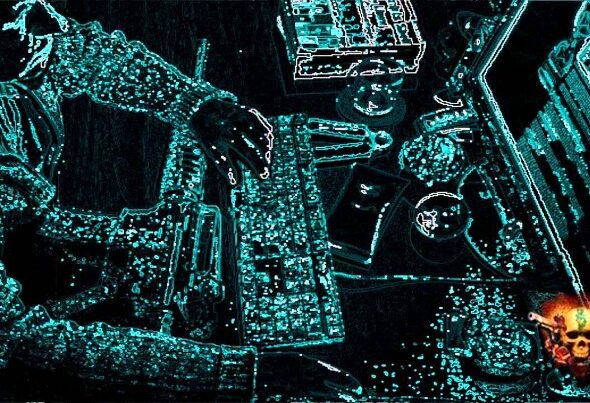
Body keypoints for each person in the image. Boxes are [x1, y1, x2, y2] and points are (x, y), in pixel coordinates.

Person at [0, 0, 362, 400]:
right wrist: (244, 374)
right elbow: (22, 348)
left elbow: (86, 53)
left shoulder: (30, 35)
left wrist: (195, 104)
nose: (48, 20)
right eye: (9, 20)